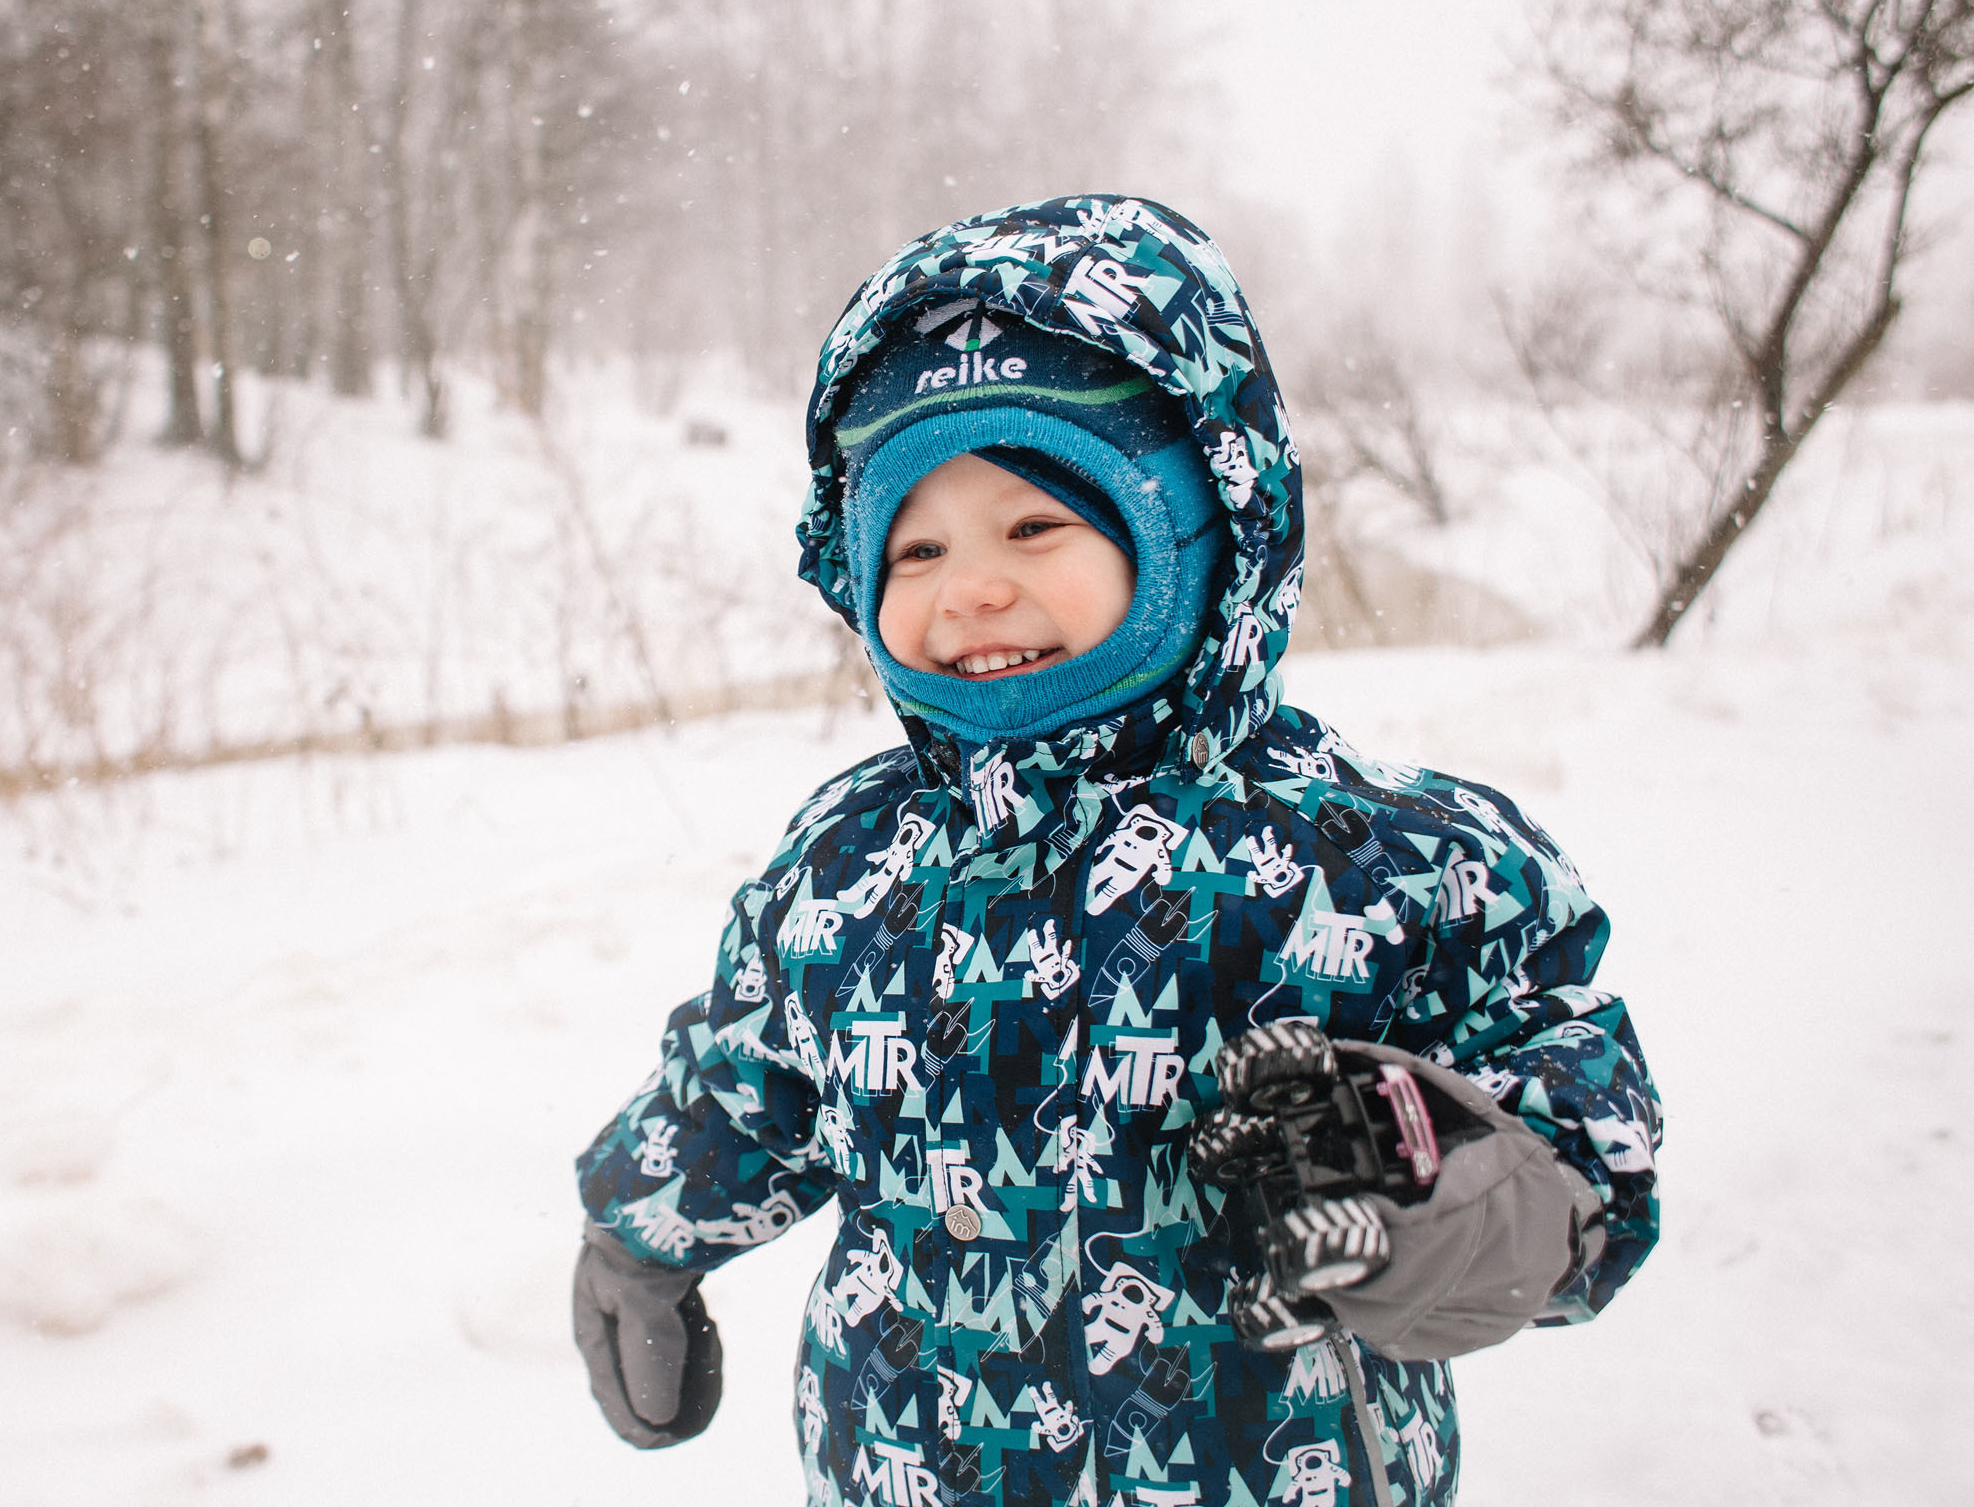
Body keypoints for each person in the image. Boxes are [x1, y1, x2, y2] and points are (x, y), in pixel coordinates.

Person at [572, 195, 1660, 1507]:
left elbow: (1574, 1087)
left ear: (1197, 532)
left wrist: (1479, 1202)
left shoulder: (1377, 859)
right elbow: (748, 1081)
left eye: (1035, 527)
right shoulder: (848, 864)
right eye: (915, 549)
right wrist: (639, 1228)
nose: (970, 586)